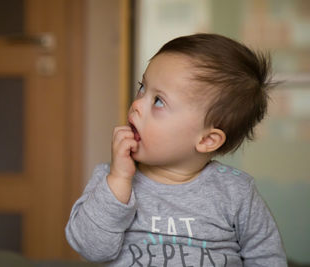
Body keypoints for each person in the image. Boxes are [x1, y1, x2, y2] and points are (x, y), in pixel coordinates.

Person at [65, 33, 287, 266]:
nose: (137, 104)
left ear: (207, 140)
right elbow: (90, 249)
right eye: (142, 88)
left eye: (158, 101)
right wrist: (119, 180)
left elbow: (267, 258)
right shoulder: (111, 181)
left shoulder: (237, 192)